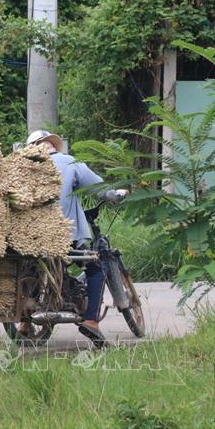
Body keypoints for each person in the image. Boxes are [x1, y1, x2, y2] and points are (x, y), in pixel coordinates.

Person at [26, 130, 126, 347]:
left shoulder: (22, 168)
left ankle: (25, 323)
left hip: (29, 237)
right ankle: (91, 320)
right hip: (65, 235)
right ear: (50, 145)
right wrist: (113, 194)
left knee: (31, 265)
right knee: (96, 268)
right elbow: (97, 188)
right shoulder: (68, 162)